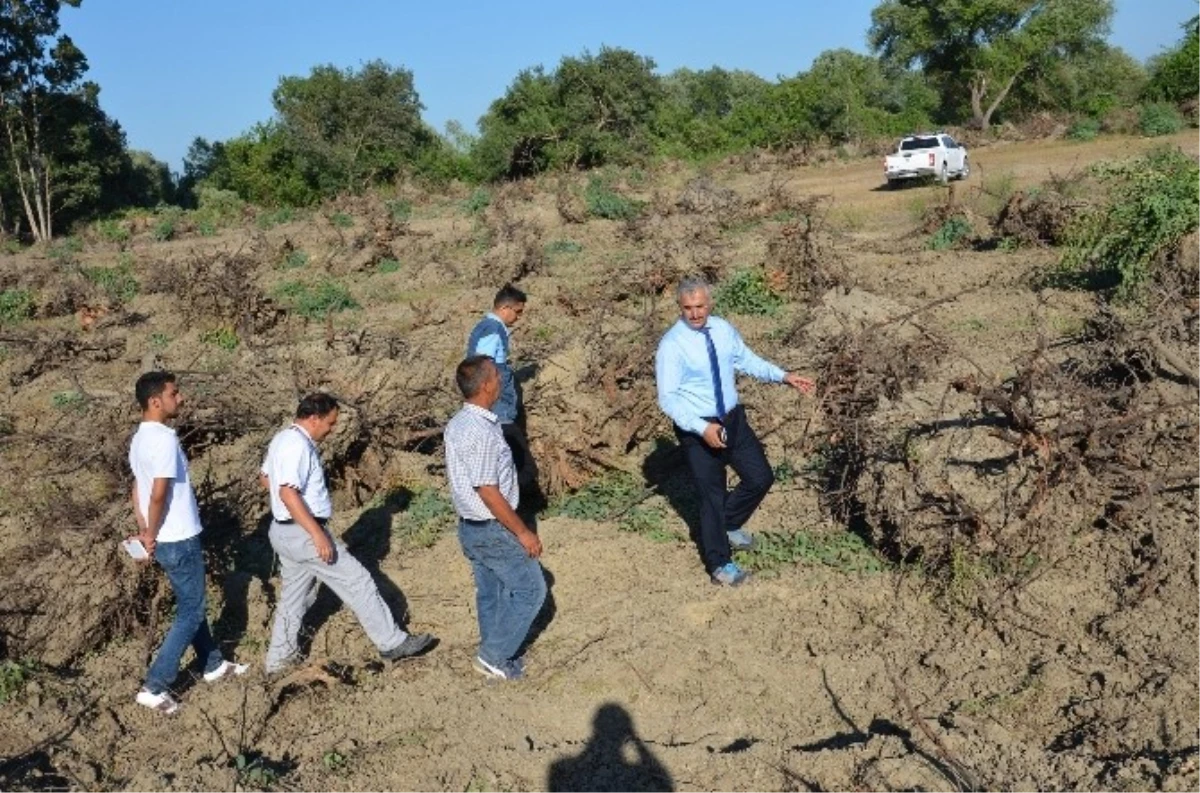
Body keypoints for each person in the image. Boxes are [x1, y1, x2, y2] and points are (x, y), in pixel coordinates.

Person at [655, 276, 815, 586]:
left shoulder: (723, 329)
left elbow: (746, 360)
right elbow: (668, 398)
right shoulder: (671, 345)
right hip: (697, 428)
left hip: (732, 419)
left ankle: (727, 523)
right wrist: (702, 428)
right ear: (680, 307)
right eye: (688, 308)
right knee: (711, 495)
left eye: (700, 306)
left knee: (760, 477)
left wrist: (784, 376)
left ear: (709, 303)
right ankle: (720, 565)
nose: (695, 313)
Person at [259, 393, 434, 674]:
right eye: (329, 423)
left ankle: (278, 663)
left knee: (293, 598)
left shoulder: (282, 438)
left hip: (283, 532)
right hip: (304, 533)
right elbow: (287, 492)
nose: (331, 429)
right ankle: (392, 642)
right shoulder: (297, 446)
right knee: (358, 581)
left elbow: (266, 479)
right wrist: (316, 534)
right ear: (313, 418)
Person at [128, 371, 248, 715]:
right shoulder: (163, 440)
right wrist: (150, 532)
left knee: (190, 603)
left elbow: (138, 487)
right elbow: (159, 493)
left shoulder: (139, 439)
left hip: (165, 537)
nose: (180, 399)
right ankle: (154, 686)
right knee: (192, 612)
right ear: (156, 401)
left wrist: (144, 529)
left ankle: (212, 665)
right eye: (174, 393)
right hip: (177, 538)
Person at [444, 355, 546, 681]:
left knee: (492, 592)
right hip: (491, 527)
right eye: (498, 377)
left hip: (470, 528)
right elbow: (488, 491)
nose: (502, 381)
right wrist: (523, 533)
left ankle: (495, 653)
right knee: (531, 590)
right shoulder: (481, 432)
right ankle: (493, 656)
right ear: (487, 385)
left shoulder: (459, 423)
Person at [465, 284, 540, 508]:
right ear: (505, 307)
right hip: (498, 410)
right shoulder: (492, 330)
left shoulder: (487, 327)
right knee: (516, 462)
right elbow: (484, 367)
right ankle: (512, 507)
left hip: (495, 407)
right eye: (517, 312)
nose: (518, 318)